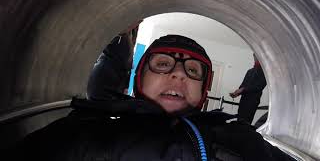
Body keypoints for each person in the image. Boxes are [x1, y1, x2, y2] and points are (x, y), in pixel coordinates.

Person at [9, 34, 293, 161]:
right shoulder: (86, 129)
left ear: (204, 92)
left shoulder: (240, 138)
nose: (178, 75)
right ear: (138, 80)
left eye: (192, 70)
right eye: (162, 64)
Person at [229, 54, 267, 124]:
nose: (255, 58)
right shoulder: (250, 71)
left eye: (257, 55)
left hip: (252, 102)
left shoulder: (265, 71)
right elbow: (243, 85)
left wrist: (243, 89)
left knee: (246, 124)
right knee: (239, 121)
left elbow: (260, 86)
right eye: (254, 56)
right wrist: (236, 93)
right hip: (243, 101)